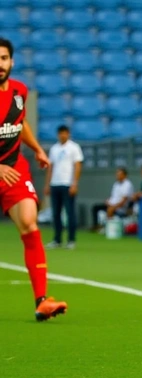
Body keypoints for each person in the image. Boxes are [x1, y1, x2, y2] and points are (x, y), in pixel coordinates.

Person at [0, 37, 67, 321]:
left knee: (29, 222)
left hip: (14, 168)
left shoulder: (19, 91)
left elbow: (19, 122)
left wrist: (38, 149)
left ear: (11, 62)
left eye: (3, 58)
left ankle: (42, 300)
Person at [44, 124, 83, 249]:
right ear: (58, 135)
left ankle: (71, 240)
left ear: (68, 134)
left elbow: (77, 166)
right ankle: (57, 239)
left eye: (65, 133)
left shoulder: (74, 148)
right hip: (55, 183)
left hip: (67, 184)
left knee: (70, 212)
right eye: (60, 133)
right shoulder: (54, 149)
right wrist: (47, 184)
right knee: (56, 213)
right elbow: (51, 167)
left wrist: (74, 183)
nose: (62, 135)